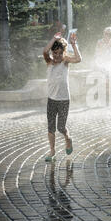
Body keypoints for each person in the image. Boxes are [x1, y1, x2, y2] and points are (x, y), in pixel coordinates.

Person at [42, 31, 82, 162]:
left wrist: (73, 45)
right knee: (51, 127)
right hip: (51, 99)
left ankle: (68, 138)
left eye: (60, 53)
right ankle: (52, 151)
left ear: (63, 52)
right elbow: (45, 51)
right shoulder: (49, 62)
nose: (57, 56)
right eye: (55, 53)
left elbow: (78, 59)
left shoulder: (65, 62)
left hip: (64, 100)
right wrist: (54, 38)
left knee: (61, 127)